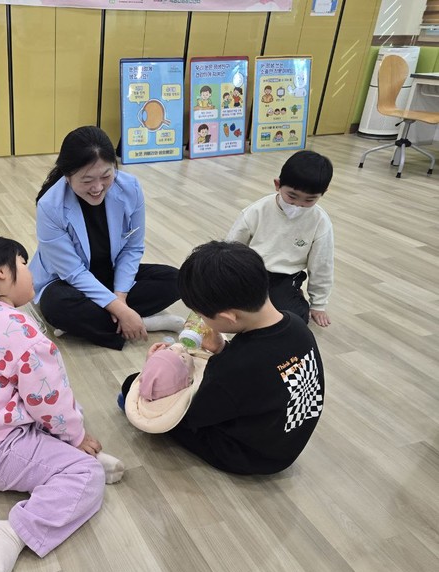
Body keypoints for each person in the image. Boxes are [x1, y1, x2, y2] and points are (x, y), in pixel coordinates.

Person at [0, 236, 125, 572]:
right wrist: (77, 437)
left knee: (66, 412)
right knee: (86, 474)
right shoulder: (22, 331)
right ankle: (15, 531)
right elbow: (48, 400)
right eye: (24, 264)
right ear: (0, 271)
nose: (31, 272)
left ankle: (65, 453)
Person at [120, 241, 325, 475]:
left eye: (202, 315)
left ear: (229, 317)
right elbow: (264, 375)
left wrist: (154, 371)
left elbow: (193, 415)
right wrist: (221, 348)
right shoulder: (295, 323)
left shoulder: (235, 367)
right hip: (285, 440)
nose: (201, 320)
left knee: (131, 385)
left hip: (248, 455)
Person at [30, 126, 184, 350]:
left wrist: (119, 299)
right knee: (56, 305)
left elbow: (132, 248)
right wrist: (121, 311)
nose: (97, 187)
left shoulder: (130, 188)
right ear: (67, 176)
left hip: (110, 273)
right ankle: (143, 322)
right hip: (67, 281)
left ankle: (88, 324)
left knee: (176, 279)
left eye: (106, 176)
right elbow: (73, 272)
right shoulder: (50, 206)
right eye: (87, 180)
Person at [226, 150, 334, 327]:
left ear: (323, 193)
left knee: (293, 319)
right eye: (292, 196)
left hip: (285, 277)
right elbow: (231, 247)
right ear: (278, 184)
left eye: (309, 200)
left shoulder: (320, 222)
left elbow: (322, 265)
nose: (298, 205)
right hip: (252, 271)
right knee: (227, 304)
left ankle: (293, 295)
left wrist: (318, 304)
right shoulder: (257, 210)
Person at [118, 341, 208, 434]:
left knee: (129, 383)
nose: (183, 350)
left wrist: (151, 363)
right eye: (183, 357)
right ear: (188, 379)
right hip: (186, 425)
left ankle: (124, 399)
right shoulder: (193, 393)